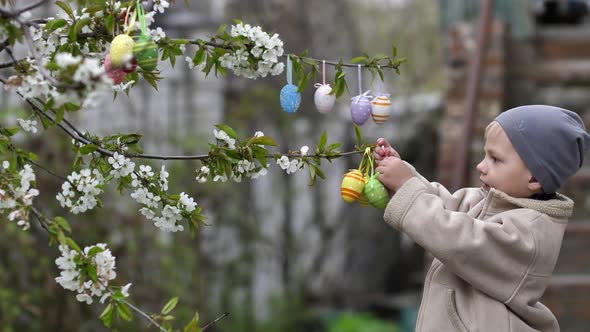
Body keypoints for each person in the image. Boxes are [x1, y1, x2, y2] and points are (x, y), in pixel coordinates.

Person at [373, 105, 590, 332]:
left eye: (495, 159)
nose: (481, 166)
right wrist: (405, 177)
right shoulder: (486, 200)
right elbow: (444, 205)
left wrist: (406, 186)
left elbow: (457, 239)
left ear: (535, 178)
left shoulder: (529, 233)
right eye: (486, 154)